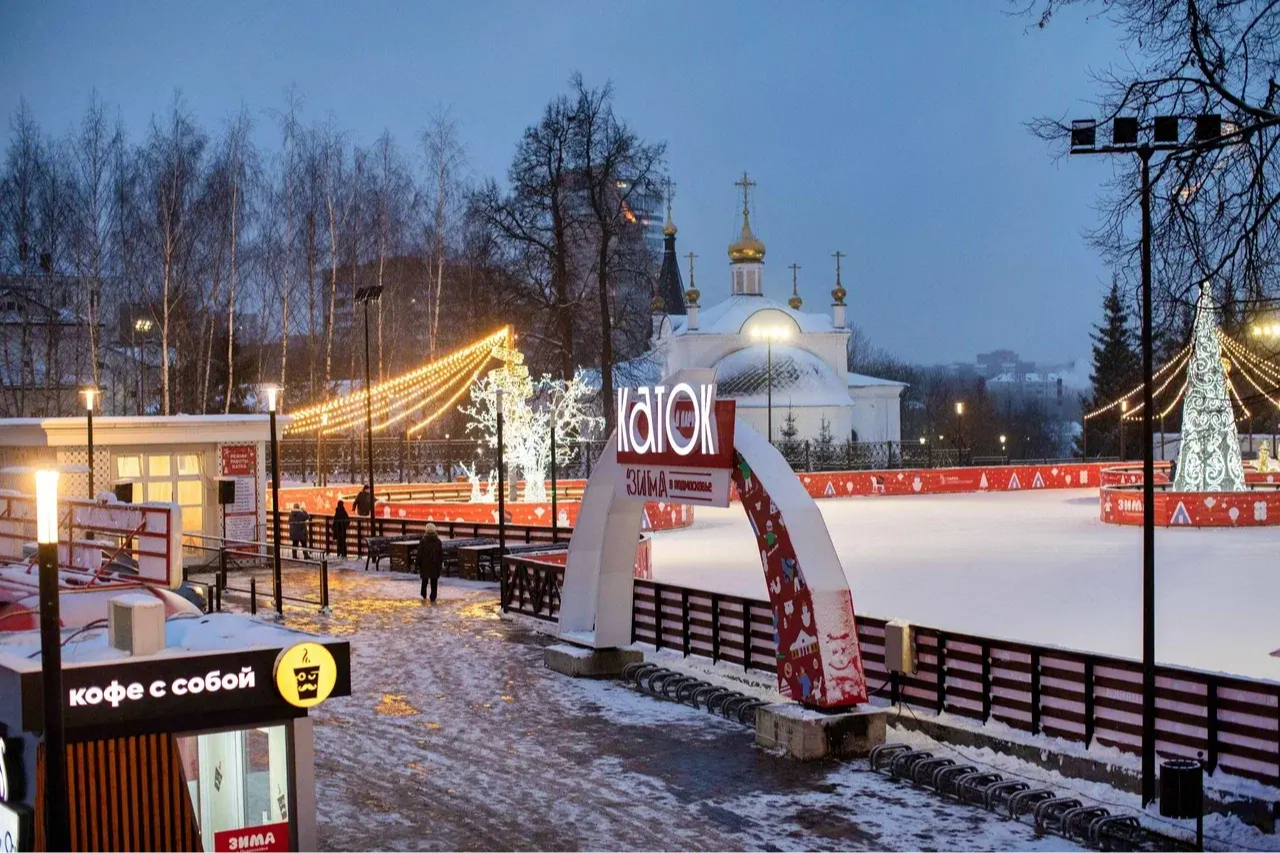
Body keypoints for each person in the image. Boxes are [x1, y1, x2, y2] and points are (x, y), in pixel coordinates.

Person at [417, 522, 444, 603]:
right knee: (434, 581)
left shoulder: (423, 540)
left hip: (425, 564)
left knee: (424, 580)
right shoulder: (438, 541)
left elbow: (419, 553)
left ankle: (423, 593)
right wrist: (440, 563)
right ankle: (433, 596)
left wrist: (418, 563)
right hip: (434, 564)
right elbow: (440, 554)